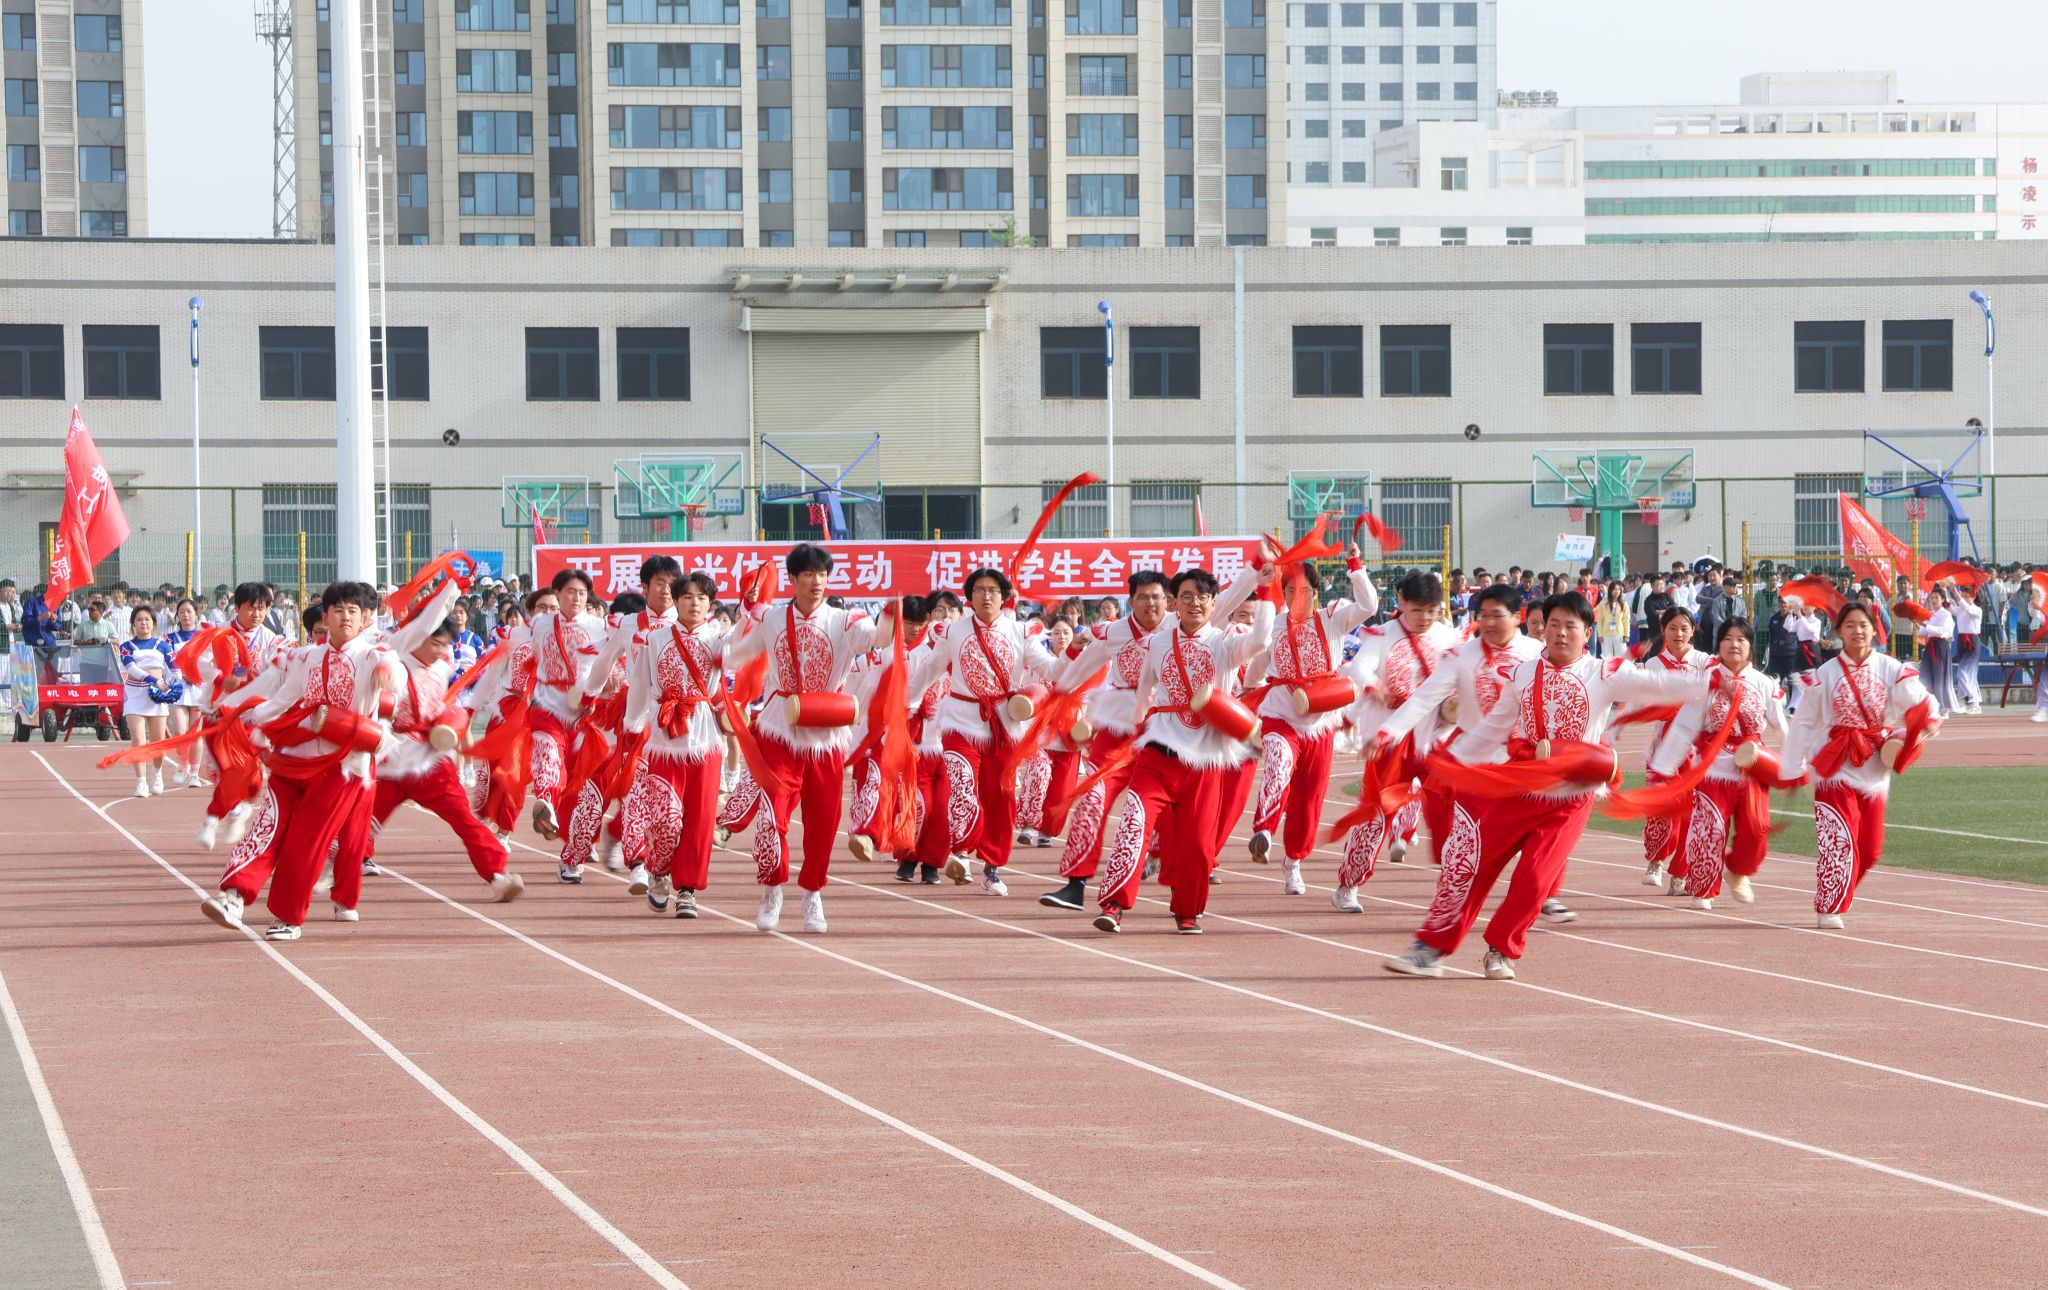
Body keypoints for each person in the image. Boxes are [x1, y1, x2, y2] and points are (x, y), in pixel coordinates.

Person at [1382, 592, 1715, 980]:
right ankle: (1430, 947)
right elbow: (1493, 729)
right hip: (1520, 787)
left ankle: (1500, 949)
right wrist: (1455, 763)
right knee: (1473, 863)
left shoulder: (1604, 673)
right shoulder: (1523, 674)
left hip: (1570, 797)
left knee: (1536, 877)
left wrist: (1711, 680)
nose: (1560, 633)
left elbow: (1659, 684)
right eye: (1554, 624)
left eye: (1571, 626)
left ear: (1587, 633)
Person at [199, 582, 412, 940]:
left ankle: (288, 917)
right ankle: (233, 897)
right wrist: (239, 715)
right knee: (266, 827)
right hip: (293, 758)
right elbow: (282, 699)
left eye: (352, 611)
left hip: (343, 769)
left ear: (363, 618)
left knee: (306, 841)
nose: (345, 617)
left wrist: (391, 677)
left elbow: (397, 678)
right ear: (325, 616)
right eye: (338, 610)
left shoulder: (374, 655)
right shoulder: (307, 657)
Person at [1085, 561, 1276, 934]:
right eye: (1186, 597)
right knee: (1134, 822)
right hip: (1158, 754)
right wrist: (1131, 730)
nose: (1194, 603)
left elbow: (1259, 642)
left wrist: (1266, 591)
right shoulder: (1158, 643)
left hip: (1205, 761)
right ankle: (1113, 905)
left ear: (1213, 603)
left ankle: (1187, 911)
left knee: (1199, 846)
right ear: (1174, 604)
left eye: (1202, 597)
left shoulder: (1224, 644)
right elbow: (1144, 693)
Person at [719, 543, 889, 934]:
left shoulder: (845, 620)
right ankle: (772, 887)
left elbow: (875, 637)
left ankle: (812, 893)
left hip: (826, 735)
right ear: (793, 579)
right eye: (809, 574)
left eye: (823, 574)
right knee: (772, 815)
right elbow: (739, 653)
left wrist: (894, 620)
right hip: (779, 730)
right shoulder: (772, 618)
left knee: (824, 821)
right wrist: (737, 627)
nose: (817, 582)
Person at [345, 581, 525, 904]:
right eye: (435, 643)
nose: (441, 650)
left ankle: (497, 876)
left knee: (465, 820)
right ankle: (337, 878)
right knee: (361, 825)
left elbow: (444, 707)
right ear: (417, 637)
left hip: (431, 764)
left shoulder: (443, 668)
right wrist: (451, 589)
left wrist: (451, 728)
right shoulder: (395, 660)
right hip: (391, 762)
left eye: (444, 645)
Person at [1778, 601, 1938, 929]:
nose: (1857, 631)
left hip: (1875, 767)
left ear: (1874, 629)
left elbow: (1923, 702)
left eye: (1863, 625)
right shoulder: (1824, 674)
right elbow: (1804, 723)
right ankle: (1830, 906)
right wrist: (1793, 768)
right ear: (1839, 632)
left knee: (1870, 848)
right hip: (1834, 764)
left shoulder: (1891, 669)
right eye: (1849, 625)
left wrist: (1927, 723)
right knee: (1839, 837)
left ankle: (1839, 893)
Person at [914, 567, 1059, 895]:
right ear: (970, 597)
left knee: (1001, 797)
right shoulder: (953, 632)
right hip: (960, 721)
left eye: (993, 590)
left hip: (1005, 726)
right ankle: (962, 853)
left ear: (1004, 596)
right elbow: (931, 668)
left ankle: (992, 867)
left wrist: (1076, 659)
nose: (986, 596)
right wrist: (906, 700)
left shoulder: (1021, 631)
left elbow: (1049, 667)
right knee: (961, 782)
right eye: (979, 590)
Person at [1037, 571, 1176, 911]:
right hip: (1117, 728)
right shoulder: (1115, 632)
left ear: (1168, 600)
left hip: (1166, 728)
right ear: (1131, 601)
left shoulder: (1179, 627)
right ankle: (1075, 884)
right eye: (1142, 597)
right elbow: (1082, 667)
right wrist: (1058, 696)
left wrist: (1256, 577)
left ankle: (1178, 883)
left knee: (1171, 810)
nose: (1150, 603)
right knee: (1092, 798)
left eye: (1156, 596)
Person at [1247, 544, 1379, 894]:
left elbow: (1369, 606)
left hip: (1321, 721)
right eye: (1290, 590)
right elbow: (1258, 664)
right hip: (1281, 715)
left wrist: (1355, 565)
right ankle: (1264, 830)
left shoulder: (1332, 619)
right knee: (1278, 764)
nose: (1297, 597)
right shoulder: (1274, 627)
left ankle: (1293, 863)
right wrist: (1249, 691)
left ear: (1316, 593)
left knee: (1309, 798)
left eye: (1304, 590)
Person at [1327, 569, 1458, 911]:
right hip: (1388, 738)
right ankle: (1349, 884)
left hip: (1435, 737)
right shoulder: (1382, 635)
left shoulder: (1449, 638)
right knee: (1376, 812)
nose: (1425, 618)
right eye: (1417, 610)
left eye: (1431, 611)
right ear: (1401, 600)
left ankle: (1455, 884)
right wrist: (1374, 687)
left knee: (1453, 809)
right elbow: (1359, 668)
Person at [1649, 618, 1787, 910]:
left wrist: (1794, 763)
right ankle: (1703, 888)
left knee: (1756, 827)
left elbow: (1781, 727)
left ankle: (1739, 871)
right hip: (1713, 767)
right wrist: (1664, 766)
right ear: (1719, 645)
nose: (1734, 644)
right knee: (1709, 828)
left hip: (1753, 766)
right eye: (1727, 638)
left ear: (1750, 646)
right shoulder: (1706, 683)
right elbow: (1685, 727)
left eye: (1741, 639)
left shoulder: (1765, 683)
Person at [523, 568, 610, 842]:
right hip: (547, 703)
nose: (577, 598)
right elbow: (532, 655)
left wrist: (593, 696)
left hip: (585, 712)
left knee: (580, 778)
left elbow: (608, 666)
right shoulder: (540, 624)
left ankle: (579, 839)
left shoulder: (600, 627)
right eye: (571, 592)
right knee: (546, 753)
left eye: (582, 593)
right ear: (557, 593)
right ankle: (546, 800)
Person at [1636, 607, 1714, 893]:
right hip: (1664, 748)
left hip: (1696, 748)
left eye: (1684, 628)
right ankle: (1656, 859)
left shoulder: (1705, 662)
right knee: (1662, 805)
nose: (1678, 634)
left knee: (1693, 811)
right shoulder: (1652, 665)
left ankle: (1681, 873)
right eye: (1672, 628)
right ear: (1663, 631)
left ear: (1692, 631)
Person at [117, 605, 178, 797]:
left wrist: (170, 685)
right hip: (135, 695)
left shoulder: (164, 645)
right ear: (133, 624)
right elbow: (132, 669)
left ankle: (157, 774)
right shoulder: (126, 647)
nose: (143, 623)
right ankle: (141, 782)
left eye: (147, 619)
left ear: (153, 623)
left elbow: (175, 669)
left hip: (157, 697)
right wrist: (155, 680)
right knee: (138, 739)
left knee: (158, 741)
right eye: (139, 620)